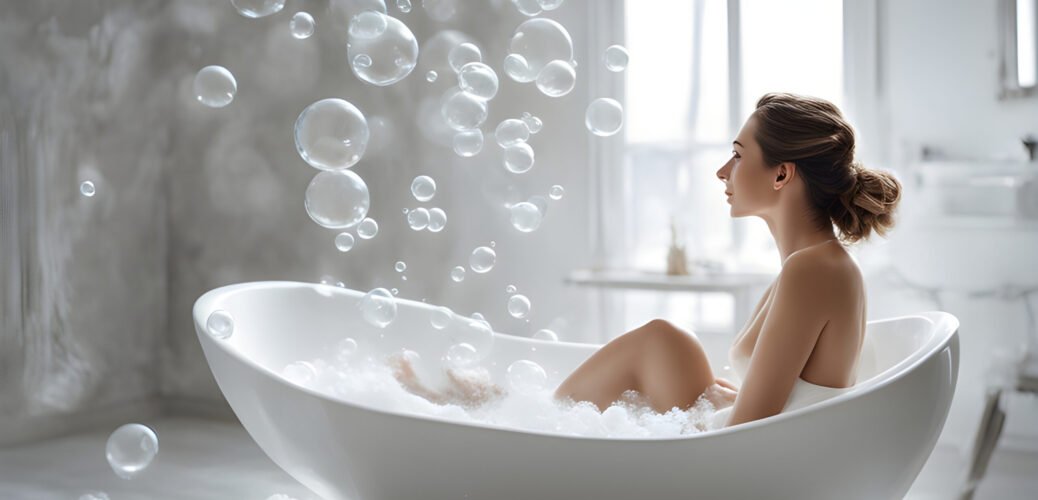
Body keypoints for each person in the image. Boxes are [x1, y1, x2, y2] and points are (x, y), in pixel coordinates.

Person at [390, 92, 903, 430]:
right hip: (744, 443)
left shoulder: (813, 270)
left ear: (781, 175)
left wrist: (702, 405)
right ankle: (509, 413)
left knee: (664, 340)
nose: (723, 171)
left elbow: (754, 430)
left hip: (746, 465)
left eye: (739, 154)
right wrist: (709, 396)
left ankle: (508, 419)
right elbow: (779, 401)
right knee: (662, 348)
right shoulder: (811, 264)